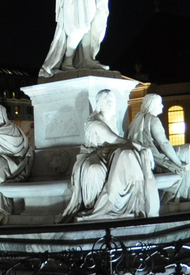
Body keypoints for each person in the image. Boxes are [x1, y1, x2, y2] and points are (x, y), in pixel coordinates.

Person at [60, 89, 158, 222]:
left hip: (109, 153)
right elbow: (117, 140)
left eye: (113, 100)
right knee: (95, 170)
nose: (112, 103)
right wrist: (141, 147)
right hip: (93, 155)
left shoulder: (112, 118)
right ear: (100, 103)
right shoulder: (95, 122)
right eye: (108, 101)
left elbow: (117, 143)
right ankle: (95, 207)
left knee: (128, 155)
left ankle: (129, 202)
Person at [130, 93, 190, 202]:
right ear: (152, 104)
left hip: (147, 157)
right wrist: (179, 163)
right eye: (160, 103)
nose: (162, 106)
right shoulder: (153, 119)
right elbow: (164, 143)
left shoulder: (136, 120)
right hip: (156, 159)